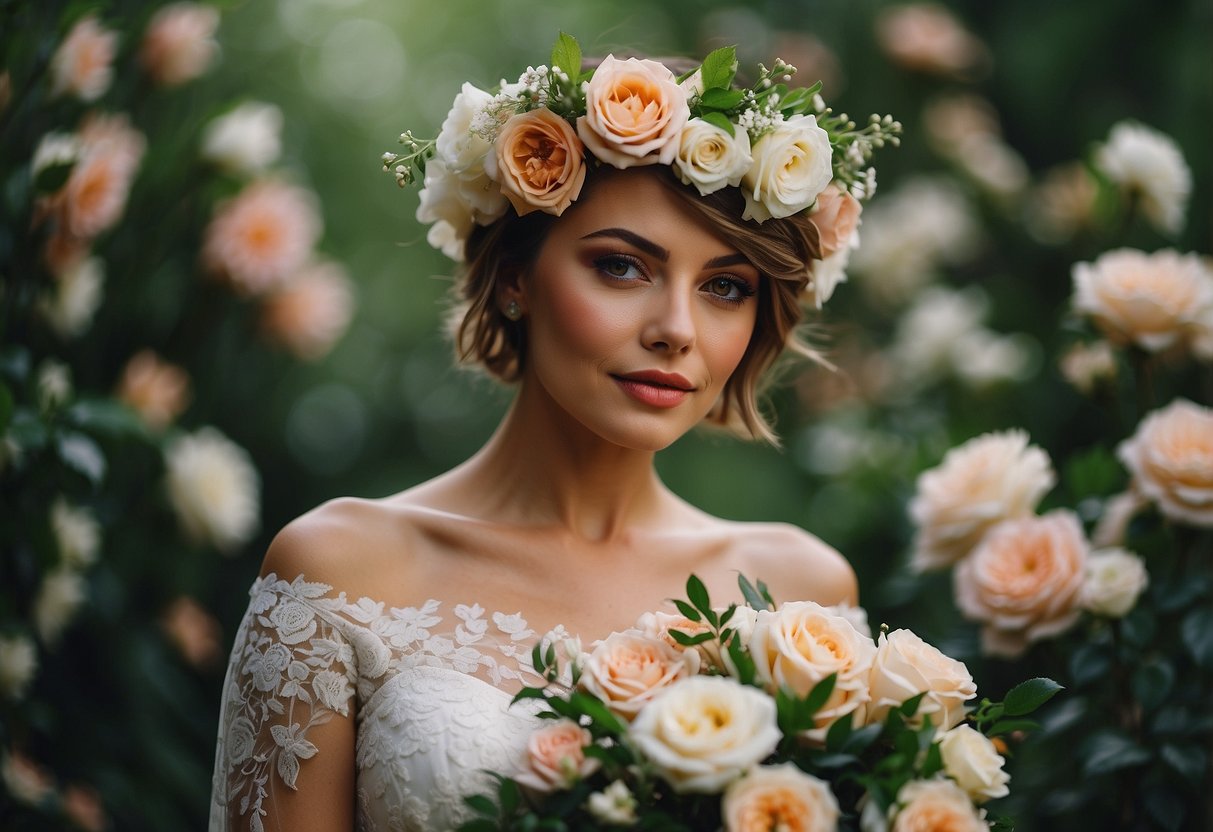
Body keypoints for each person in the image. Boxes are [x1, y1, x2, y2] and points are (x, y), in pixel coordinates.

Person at [208, 35, 897, 832]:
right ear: (514, 278)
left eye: (724, 286)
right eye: (621, 266)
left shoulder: (801, 597)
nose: (676, 329)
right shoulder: (340, 574)